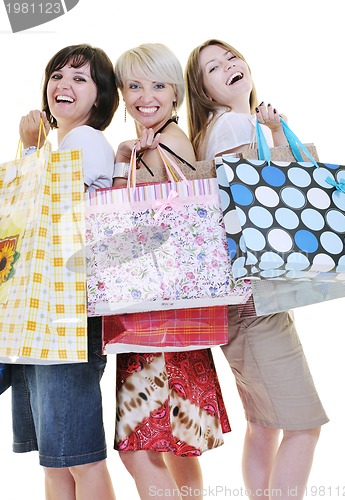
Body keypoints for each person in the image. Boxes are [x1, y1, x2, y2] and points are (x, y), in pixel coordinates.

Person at [185, 39, 329, 500]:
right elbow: (262, 198)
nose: (229, 66)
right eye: (213, 67)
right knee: (304, 426)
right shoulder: (235, 125)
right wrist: (272, 134)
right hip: (256, 299)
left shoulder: (214, 130)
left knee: (265, 424)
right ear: (204, 90)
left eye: (231, 58)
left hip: (239, 298)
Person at [112, 43, 231, 500]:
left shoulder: (168, 141)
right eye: (135, 85)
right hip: (172, 313)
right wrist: (128, 156)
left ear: (176, 93)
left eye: (159, 84)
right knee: (180, 446)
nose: (146, 95)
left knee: (139, 449)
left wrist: (131, 162)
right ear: (123, 93)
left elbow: (144, 229)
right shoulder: (154, 140)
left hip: (161, 317)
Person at [11, 44, 119, 500]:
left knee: (78, 458)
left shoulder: (85, 141)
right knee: (57, 462)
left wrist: (33, 152)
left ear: (100, 97)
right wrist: (35, 150)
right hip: (45, 317)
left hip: (64, 315)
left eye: (80, 78)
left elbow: (68, 228)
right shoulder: (62, 147)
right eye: (57, 75)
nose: (63, 85)